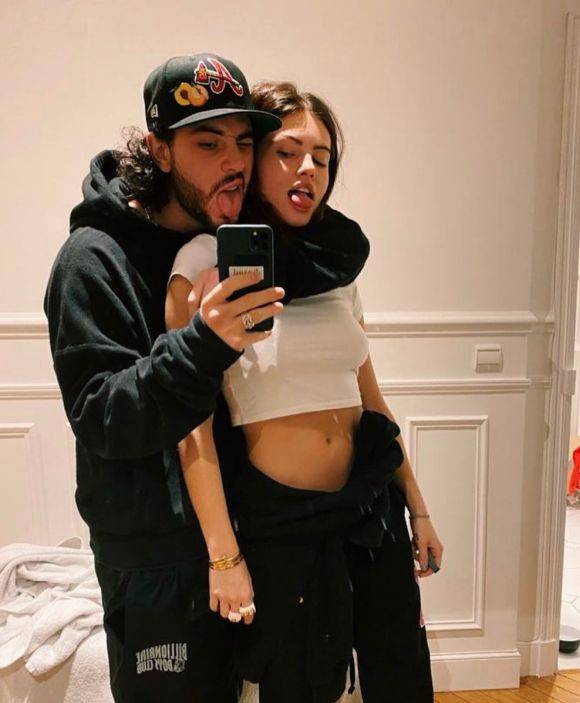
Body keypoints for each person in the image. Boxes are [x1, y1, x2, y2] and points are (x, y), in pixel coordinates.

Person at [166, 80, 443, 702]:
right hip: (282, 522)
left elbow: (373, 401)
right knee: (297, 684)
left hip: (369, 508)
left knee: (400, 675)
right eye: (288, 152)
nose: (308, 169)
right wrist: (223, 557)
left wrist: (419, 508)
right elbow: (191, 427)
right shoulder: (203, 263)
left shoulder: (337, 267)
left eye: (321, 157)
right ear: (254, 160)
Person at [43, 53, 289, 703]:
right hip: (152, 557)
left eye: (243, 141)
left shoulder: (227, 246)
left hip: (245, 531)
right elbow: (103, 416)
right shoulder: (91, 260)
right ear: (159, 150)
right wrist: (203, 343)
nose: (234, 162)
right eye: (208, 143)